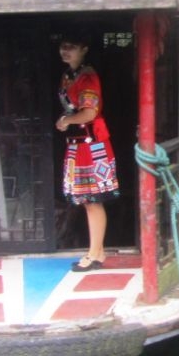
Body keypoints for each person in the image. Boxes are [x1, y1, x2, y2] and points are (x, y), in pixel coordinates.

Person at [55, 33, 120, 271]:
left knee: (92, 200)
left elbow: (89, 113)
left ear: (84, 48)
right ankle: (97, 252)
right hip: (78, 144)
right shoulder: (69, 76)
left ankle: (94, 255)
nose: (66, 50)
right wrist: (68, 121)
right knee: (87, 200)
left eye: (71, 45)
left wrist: (67, 120)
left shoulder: (88, 77)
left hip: (91, 146)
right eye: (63, 45)